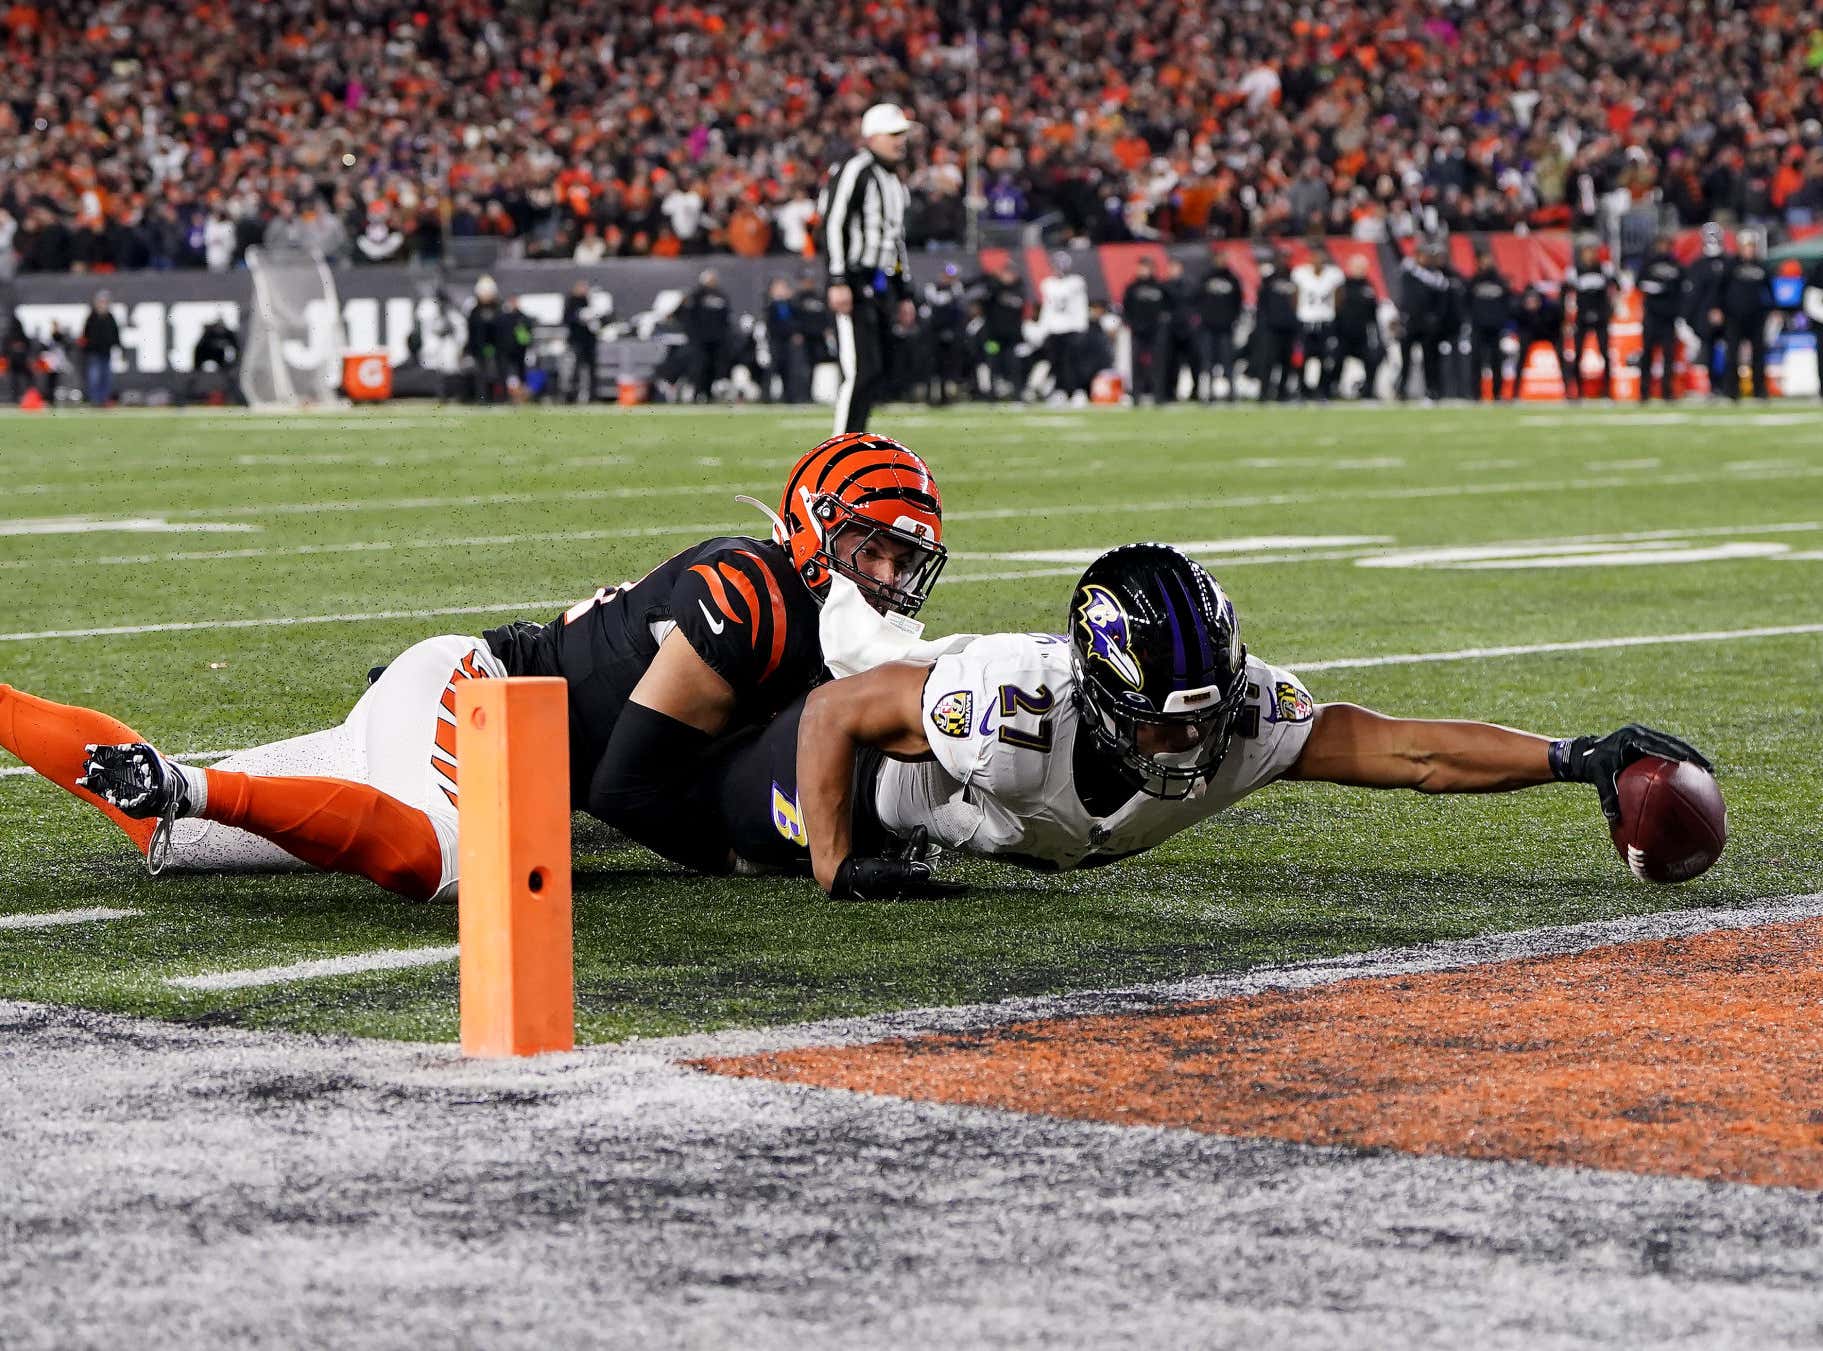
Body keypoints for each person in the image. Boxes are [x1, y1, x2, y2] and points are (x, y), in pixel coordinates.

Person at [9, 437, 949, 901]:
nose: (890, 579)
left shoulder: (776, 598)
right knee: (445, 858)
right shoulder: (751, 596)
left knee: (167, 832)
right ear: (818, 527)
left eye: (904, 565)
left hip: (485, 716)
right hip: (478, 700)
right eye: (875, 552)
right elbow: (627, 787)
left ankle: (172, 784)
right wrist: (744, 850)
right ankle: (191, 780)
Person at [696, 545, 1713, 899]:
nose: (1184, 747)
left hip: (978, 828)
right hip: (850, 788)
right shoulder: (1000, 700)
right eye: (1156, 726)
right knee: (709, 823)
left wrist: (1572, 756)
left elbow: (1410, 750)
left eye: (1200, 722)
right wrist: (835, 862)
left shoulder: (1244, 713)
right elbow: (834, 713)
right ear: (1094, 697)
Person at [820, 103, 917, 433]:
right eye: (894, 134)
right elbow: (833, 224)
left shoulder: (893, 181)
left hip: (881, 283)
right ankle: (838, 452)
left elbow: (896, 240)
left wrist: (904, 293)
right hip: (854, 278)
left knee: (875, 370)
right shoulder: (856, 169)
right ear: (872, 136)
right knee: (858, 370)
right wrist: (837, 278)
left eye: (903, 134)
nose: (901, 140)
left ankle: (855, 444)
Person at [1717, 234, 1772, 401]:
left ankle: (1759, 391)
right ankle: (1731, 392)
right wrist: (1718, 309)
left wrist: (1773, 308)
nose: (1750, 250)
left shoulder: (1761, 267)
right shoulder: (1731, 265)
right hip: (1734, 316)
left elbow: (1769, 291)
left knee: (1758, 355)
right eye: (1747, 246)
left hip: (1756, 317)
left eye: (1752, 246)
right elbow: (1720, 289)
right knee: (1732, 354)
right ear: (1740, 247)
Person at [1396, 242, 1452, 401]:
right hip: (1410, 322)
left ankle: (1432, 390)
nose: (1424, 258)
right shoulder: (1410, 272)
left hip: (1428, 325)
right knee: (1405, 359)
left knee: (1430, 359)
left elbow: (1442, 303)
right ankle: (1402, 389)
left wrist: (1435, 319)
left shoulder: (1437, 277)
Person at [1635, 234, 1686, 403]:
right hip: (1651, 316)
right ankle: (1644, 392)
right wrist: (1654, 288)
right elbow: (1638, 283)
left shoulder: (1676, 266)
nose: (1664, 248)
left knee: (1668, 356)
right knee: (1647, 355)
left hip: (1668, 318)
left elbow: (1682, 289)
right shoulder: (1648, 264)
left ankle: (1666, 391)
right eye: (1661, 244)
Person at [1290, 243, 1343, 400]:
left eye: (1320, 256)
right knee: (1300, 358)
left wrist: (1331, 313)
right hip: (1305, 321)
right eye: (1314, 256)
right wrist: (1299, 313)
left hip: (1325, 322)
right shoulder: (1300, 273)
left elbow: (1339, 296)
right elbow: (1295, 296)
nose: (1317, 260)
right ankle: (1301, 389)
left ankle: (1322, 391)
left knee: (1326, 358)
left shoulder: (1333, 274)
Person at [1684, 224, 1730, 393]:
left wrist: (1722, 309)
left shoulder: (1728, 263)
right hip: (1704, 316)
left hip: (1727, 314)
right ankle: (1714, 386)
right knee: (1709, 351)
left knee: (1730, 351)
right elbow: (1693, 294)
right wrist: (1688, 317)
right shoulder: (1698, 265)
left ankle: (1728, 385)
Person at [1330, 255, 1384, 400]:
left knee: (1373, 359)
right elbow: (1335, 309)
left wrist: (1377, 335)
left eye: (1362, 267)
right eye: (1357, 267)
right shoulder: (1342, 286)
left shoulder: (1368, 286)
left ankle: (1368, 390)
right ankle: (1332, 389)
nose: (1360, 270)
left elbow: (1374, 313)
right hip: (1343, 332)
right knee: (1336, 360)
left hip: (1362, 334)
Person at [1566, 242, 1615, 400]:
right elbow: (1565, 294)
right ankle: (1577, 391)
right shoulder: (1574, 271)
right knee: (1578, 353)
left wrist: (1611, 309)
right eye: (1587, 252)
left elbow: (1616, 287)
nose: (1590, 255)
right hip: (1582, 318)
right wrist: (1567, 318)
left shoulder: (1605, 269)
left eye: (1592, 252)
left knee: (1605, 353)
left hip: (1601, 317)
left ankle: (1607, 390)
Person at [1192, 252, 1243, 402]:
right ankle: (1207, 393)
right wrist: (1203, 317)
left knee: (1228, 361)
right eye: (1219, 258)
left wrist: (1232, 319)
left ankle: (1231, 393)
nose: (1221, 261)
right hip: (1208, 327)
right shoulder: (1206, 278)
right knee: (1207, 362)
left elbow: (1238, 302)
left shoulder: (1233, 279)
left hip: (1226, 328)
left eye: (1223, 258)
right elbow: (1197, 299)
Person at [1253, 249, 1301, 402]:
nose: (1283, 261)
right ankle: (1264, 392)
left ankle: (1282, 392)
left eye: (1286, 258)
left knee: (1286, 362)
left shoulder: (1295, 278)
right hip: (1271, 328)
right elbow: (1261, 304)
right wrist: (1263, 325)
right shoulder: (1268, 280)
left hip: (1290, 328)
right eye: (1281, 258)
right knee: (1268, 361)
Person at [1120, 255, 1170, 403]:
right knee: (1136, 364)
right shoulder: (1132, 287)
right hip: (1138, 331)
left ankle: (1158, 395)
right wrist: (1130, 323)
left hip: (1156, 331)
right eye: (1141, 267)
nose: (1143, 271)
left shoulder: (1160, 287)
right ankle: (1136, 395)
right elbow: (1126, 308)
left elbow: (1167, 307)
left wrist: (1162, 325)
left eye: (1146, 267)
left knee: (1157, 364)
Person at [1465, 250, 1513, 401]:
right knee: (1476, 361)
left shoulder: (1499, 281)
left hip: (1495, 327)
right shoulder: (1474, 281)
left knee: (1496, 360)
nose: (1487, 262)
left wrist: (1501, 320)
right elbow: (1467, 303)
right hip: (1478, 326)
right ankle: (1476, 394)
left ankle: (1497, 393)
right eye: (1484, 259)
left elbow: (1507, 302)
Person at [679, 268, 732, 402]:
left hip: (717, 340)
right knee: (699, 367)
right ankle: (697, 393)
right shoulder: (696, 296)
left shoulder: (721, 296)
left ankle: (708, 394)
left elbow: (726, 318)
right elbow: (688, 317)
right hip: (700, 340)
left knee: (713, 367)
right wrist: (693, 335)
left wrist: (723, 336)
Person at [978, 260, 1029, 399]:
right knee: (992, 363)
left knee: (1014, 365)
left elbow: (1018, 304)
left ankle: (1017, 394)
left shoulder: (1018, 288)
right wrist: (995, 278)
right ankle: (992, 395)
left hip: (1011, 338)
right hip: (993, 336)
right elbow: (985, 289)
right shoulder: (993, 287)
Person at [1513, 285, 1574, 397]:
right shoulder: (1521, 310)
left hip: (1551, 332)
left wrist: (1563, 328)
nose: (1531, 304)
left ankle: (1569, 391)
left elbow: (1560, 319)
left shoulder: (1551, 308)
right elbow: (1518, 323)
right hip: (1530, 332)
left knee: (1561, 356)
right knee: (1521, 357)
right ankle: (1514, 392)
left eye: (1533, 301)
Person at [181, 316, 240, 406]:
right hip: (203, 353)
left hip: (219, 355)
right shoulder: (208, 333)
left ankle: (231, 396)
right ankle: (188, 396)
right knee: (195, 375)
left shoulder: (229, 334)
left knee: (228, 375)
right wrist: (196, 365)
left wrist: (232, 363)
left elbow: (236, 349)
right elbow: (199, 348)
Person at [81, 291, 121, 408]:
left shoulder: (110, 317)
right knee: (94, 377)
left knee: (106, 377)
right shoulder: (92, 317)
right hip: (94, 353)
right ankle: (95, 399)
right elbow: (86, 335)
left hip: (106, 352)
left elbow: (115, 334)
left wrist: (118, 346)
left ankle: (103, 399)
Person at [2, 308, 34, 404]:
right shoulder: (20, 335)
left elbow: (5, 348)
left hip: (15, 360)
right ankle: (23, 395)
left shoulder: (10, 335)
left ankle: (18, 396)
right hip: (19, 360)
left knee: (16, 379)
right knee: (22, 378)